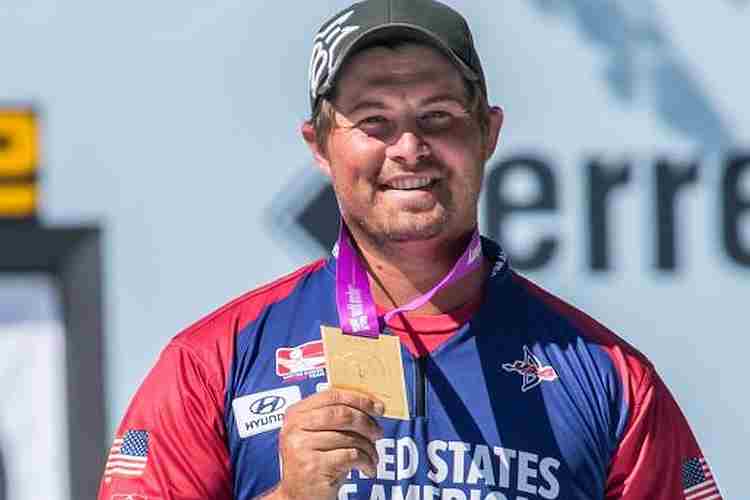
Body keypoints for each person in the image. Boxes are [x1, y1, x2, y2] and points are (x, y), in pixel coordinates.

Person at [98, 1, 723, 499]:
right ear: (319, 145)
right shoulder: (212, 362)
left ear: (489, 132)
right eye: (374, 121)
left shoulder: (610, 376)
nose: (408, 148)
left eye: (438, 116)